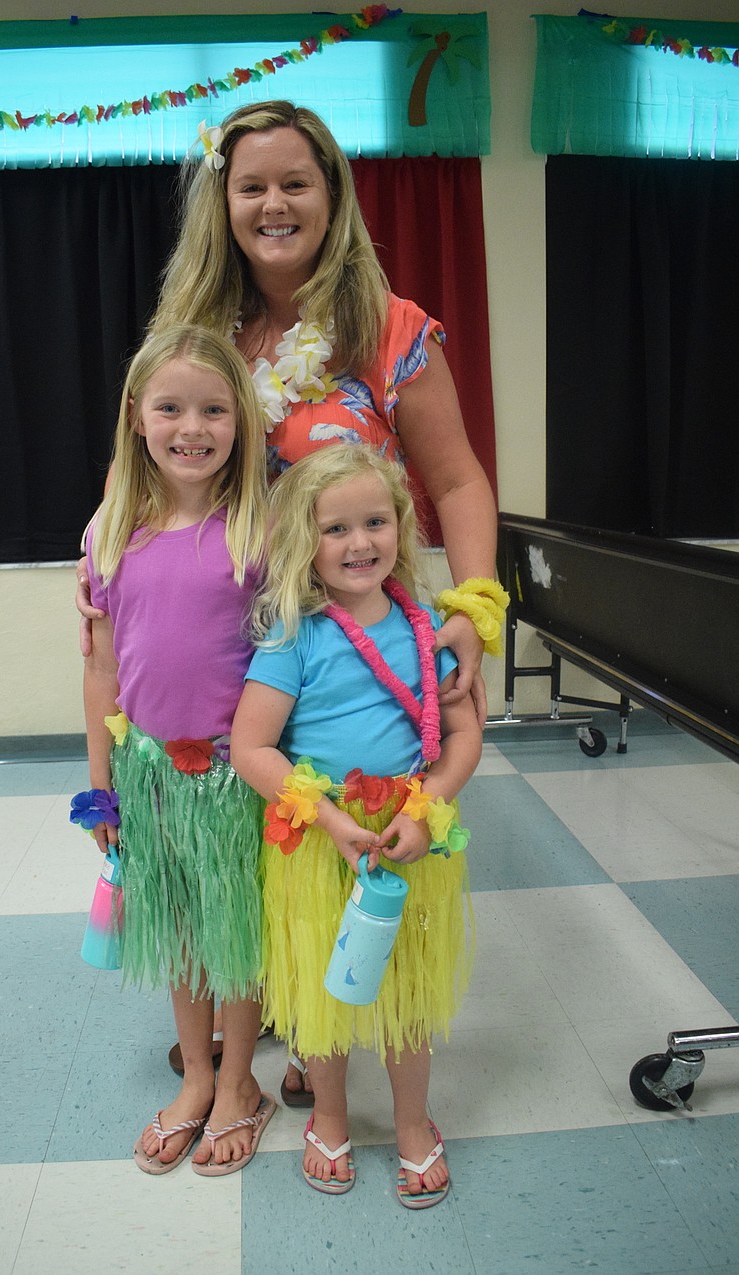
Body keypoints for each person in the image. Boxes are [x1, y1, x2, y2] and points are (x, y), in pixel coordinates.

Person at [77, 98, 500, 1102]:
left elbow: (457, 483)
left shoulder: (390, 330)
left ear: (332, 195)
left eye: (295, 182)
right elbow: (151, 465)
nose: (273, 203)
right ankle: (253, 1005)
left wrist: (476, 608)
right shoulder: (200, 335)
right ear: (223, 202)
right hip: (233, 645)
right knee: (239, 826)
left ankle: (327, 1022)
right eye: (251, 185)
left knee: (334, 822)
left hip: (345, 638)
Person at [230, 446, 484, 1208]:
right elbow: (251, 746)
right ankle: (331, 1114)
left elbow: (466, 735)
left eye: (375, 521)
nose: (359, 542)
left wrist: (423, 807)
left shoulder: (430, 625)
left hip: (413, 834)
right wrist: (334, 821)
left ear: (400, 527)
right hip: (321, 837)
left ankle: (412, 1121)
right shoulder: (292, 631)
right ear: (303, 542)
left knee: (407, 987)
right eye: (335, 528)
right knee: (327, 987)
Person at [80, 323, 276, 1176]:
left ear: (242, 421)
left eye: (212, 409)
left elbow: (296, 663)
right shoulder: (109, 530)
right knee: (179, 927)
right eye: (170, 407)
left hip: (237, 775)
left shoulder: (261, 531)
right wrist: (101, 786)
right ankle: (195, 1073)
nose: (190, 427)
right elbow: (98, 672)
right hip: (150, 774)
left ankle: (240, 1084)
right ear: (136, 416)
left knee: (234, 931)